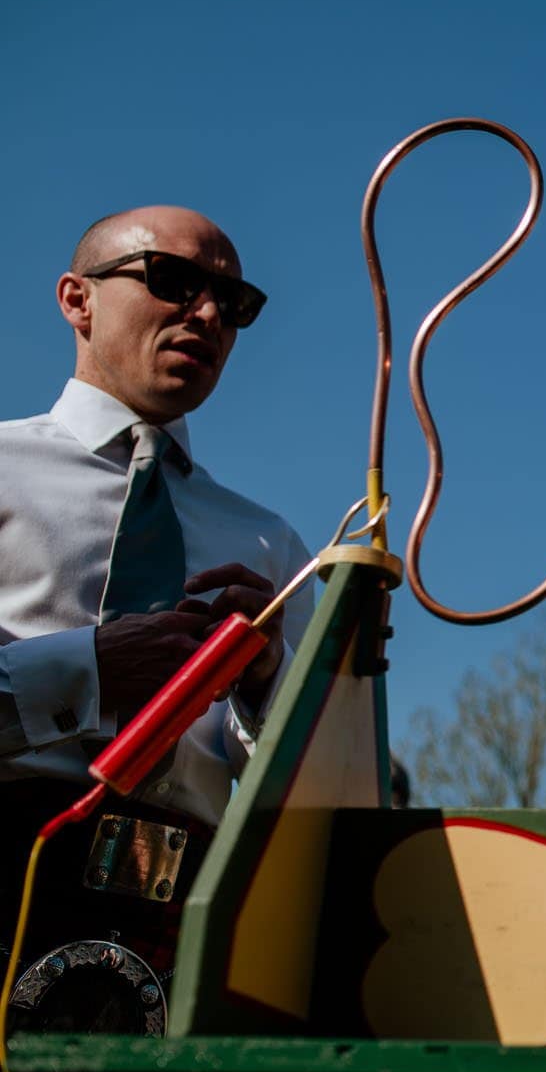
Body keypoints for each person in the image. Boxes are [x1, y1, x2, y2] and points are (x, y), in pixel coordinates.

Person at [0, 207, 315, 963]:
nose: (206, 313)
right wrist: (89, 669)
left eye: (233, 304)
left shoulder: (272, 545)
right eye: (173, 280)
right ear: (78, 299)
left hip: (183, 927)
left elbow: (325, 806)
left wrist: (266, 685)